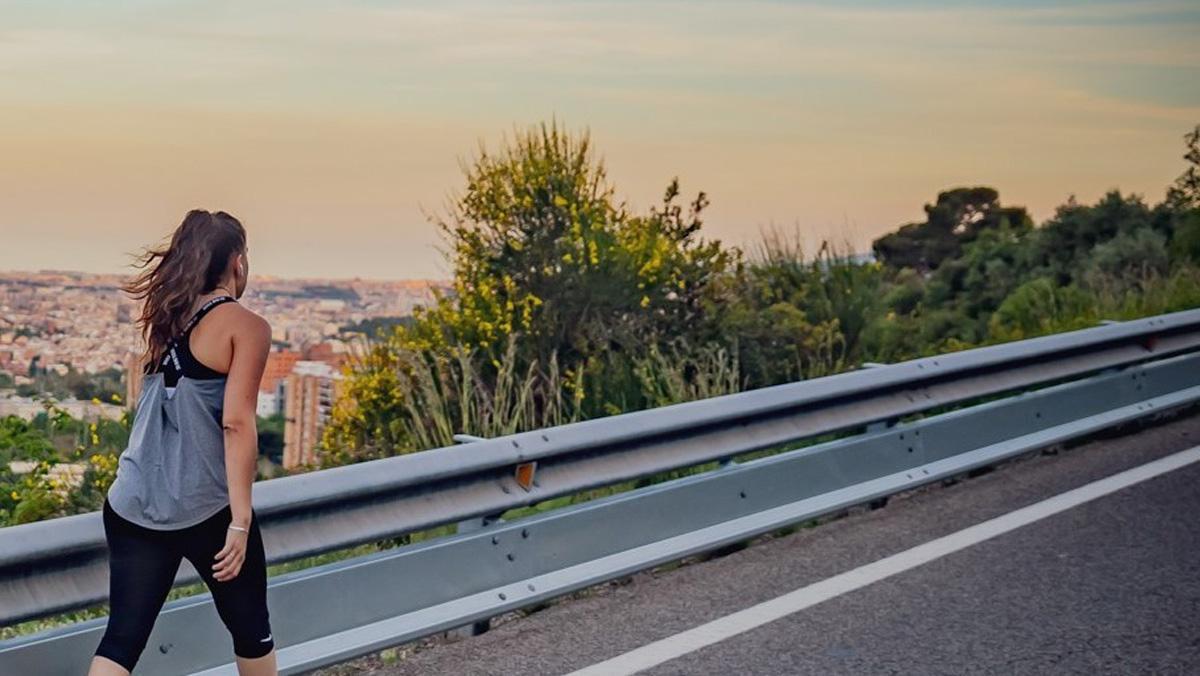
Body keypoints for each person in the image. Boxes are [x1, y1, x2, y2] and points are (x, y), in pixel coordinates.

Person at [89, 209, 277, 676]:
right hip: (206, 505)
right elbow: (236, 423)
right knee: (252, 629)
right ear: (237, 261)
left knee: (121, 640)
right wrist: (240, 519)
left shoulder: (166, 315)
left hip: (133, 502)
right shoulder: (246, 326)